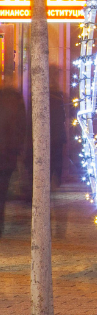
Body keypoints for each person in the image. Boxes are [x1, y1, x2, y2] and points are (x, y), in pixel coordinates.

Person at [0, 87, 27, 236]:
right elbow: (21, 128)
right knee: (2, 192)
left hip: (6, 154)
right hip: (8, 155)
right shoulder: (15, 99)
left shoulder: (13, 99)